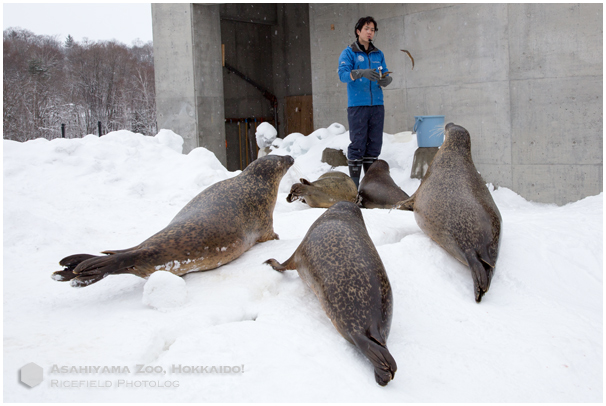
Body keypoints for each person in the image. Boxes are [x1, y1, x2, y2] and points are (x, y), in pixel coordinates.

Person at [338, 16, 392, 188]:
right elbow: (343, 75)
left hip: (377, 105)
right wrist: (361, 73)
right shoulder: (348, 53)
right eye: (367, 28)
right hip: (358, 106)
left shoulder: (379, 54)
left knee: (374, 145)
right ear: (358, 31)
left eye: (373, 29)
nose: (370, 32)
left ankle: (370, 187)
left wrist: (386, 80)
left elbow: (385, 73)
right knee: (358, 145)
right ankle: (354, 188)